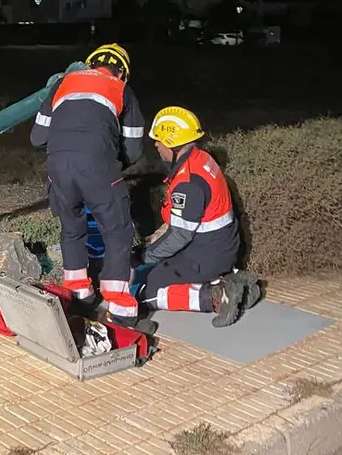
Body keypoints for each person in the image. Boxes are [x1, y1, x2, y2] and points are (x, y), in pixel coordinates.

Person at [30, 43, 146, 329]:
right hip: (98, 167)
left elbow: (36, 138)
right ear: (123, 73)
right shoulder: (122, 91)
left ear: (89, 64)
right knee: (118, 231)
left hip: (58, 170)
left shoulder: (61, 85)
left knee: (72, 229)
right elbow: (133, 150)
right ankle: (119, 309)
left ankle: (80, 295)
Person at [138, 106, 261, 327]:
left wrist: (144, 256)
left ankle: (216, 296)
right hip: (221, 248)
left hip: (205, 256)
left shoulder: (188, 183)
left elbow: (179, 237)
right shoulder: (201, 159)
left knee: (148, 290)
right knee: (161, 261)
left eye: (158, 139)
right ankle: (235, 281)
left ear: (172, 141)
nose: (155, 144)